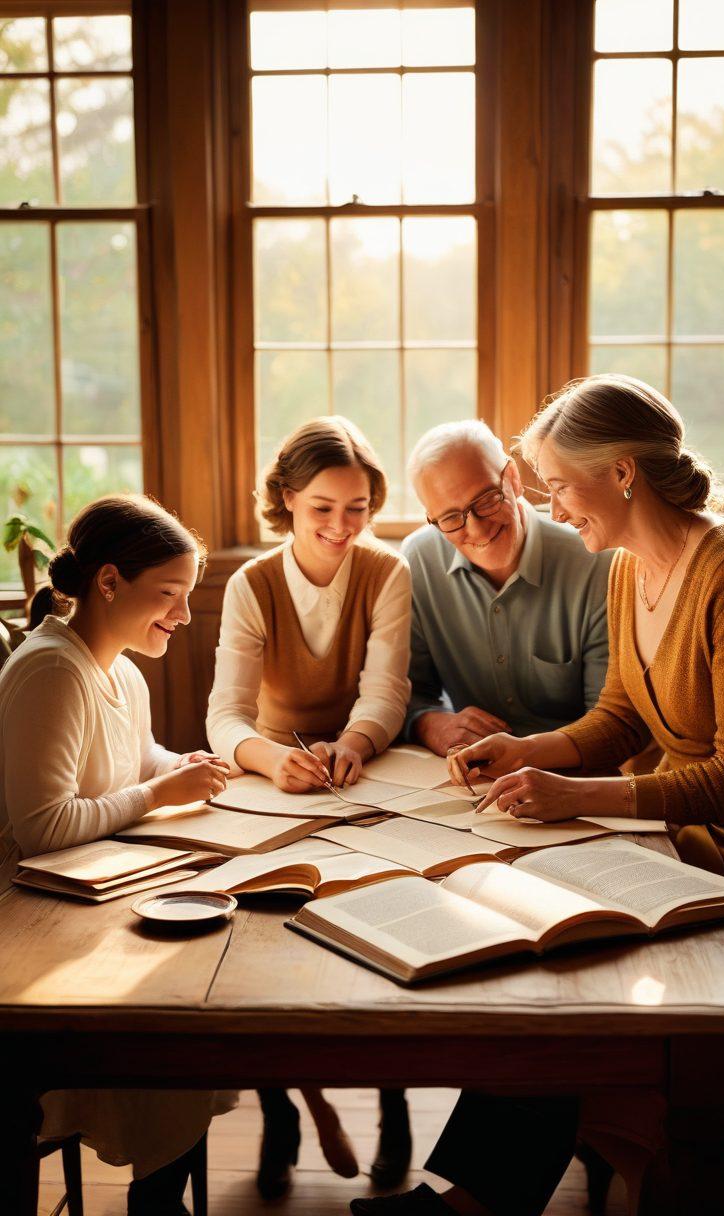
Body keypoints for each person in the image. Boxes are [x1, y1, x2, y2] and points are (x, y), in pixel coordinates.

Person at [350, 373, 724, 1216]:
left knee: (574, 947)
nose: (550, 506)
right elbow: (619, 715)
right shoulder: (621, 566)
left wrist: (578, 800)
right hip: (692, 825)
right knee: (546, 925)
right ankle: (486, 1192)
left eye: (557, 484)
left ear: (621, 473)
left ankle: (489, 1195)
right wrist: (524, 751)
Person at [0, 494, 234, 1216]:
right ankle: (156, 1199)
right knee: (160, 1035)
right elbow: (42, 824)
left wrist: (179, 763)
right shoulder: (51, 670)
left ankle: (160, 1193)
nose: (185, 616)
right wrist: (161, 795)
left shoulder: (122, 671)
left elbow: (134, 762)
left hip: (91, 889)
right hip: (29, 914)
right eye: (170, 596)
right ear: (108, 583)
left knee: (188, 1007)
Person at [206, 415, 413, 1197]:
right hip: (271, 776)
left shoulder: (387, 572)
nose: (340, 526)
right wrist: (270, 758)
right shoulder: (250, 584)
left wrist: (354, 745)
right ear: (287, 499)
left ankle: (394, 1106)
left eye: (357, 508)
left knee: (385, 920)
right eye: (323, 506)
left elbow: (387, 691)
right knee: (265, 946)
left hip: (367, 767)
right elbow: (222, 716)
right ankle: (280, 1110)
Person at [402, 420, 611, 756]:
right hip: (469, 777)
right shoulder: (419, 560)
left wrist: (522, 759)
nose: (477, 529)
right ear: (432, 518)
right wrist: (431, 724)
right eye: (451, 518)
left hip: (572, 775)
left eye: (485, 500)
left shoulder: (596, 564)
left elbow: (608, 723)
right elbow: (409, 692)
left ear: (513, 479)